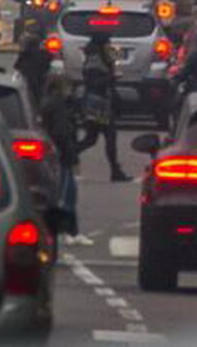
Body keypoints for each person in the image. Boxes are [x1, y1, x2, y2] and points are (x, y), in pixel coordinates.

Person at [40, 74, 91, 246]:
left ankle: (72, 231)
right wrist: (73, 157)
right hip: (61, 156)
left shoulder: (48, 103)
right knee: (66, 195)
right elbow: (62, 133)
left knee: (69, 193)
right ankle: (66, 232)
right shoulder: (58, 105)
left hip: (54, 154)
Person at [76, 33, 130, 182]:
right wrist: (110, 78)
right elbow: (93, 83)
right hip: (96, 103)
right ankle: (115, 171)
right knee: (108, 136)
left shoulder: (100, 57)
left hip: (101, 102)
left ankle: (67, 156)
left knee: (91, 138)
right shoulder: (94, 60)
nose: (109, 46)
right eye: (107, 43)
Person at [14, 31, 51, 108]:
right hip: (39, 80)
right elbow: (47, 65)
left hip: (30, 81)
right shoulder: (43, 54)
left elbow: (17, 66)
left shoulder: (24, 55)